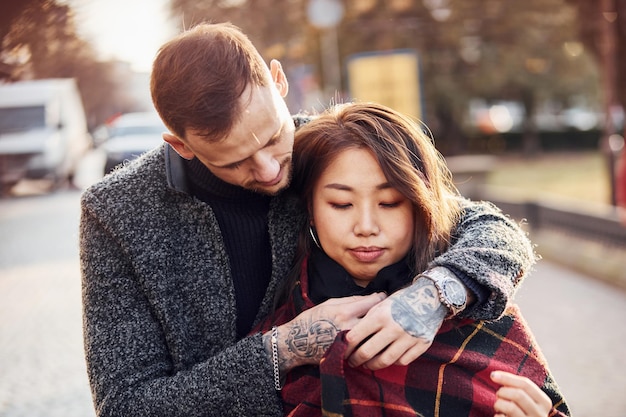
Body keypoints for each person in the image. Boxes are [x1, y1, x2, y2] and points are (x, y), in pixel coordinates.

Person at [79, 22, 536, 416]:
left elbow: (492, 232)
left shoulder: (320, 151)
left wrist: (434, 296)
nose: (270, 170)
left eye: (274, 137)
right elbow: (125, 405)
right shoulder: (116, 213)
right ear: (181, 145)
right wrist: (281, 350)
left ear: (278, 81)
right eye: (235, 161)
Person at [254, 102, 569, 417]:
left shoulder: (477, 305)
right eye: (341, 203)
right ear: (310, 208)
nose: (366, 227)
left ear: (420, 206)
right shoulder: (279, 322)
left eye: (389, 203)